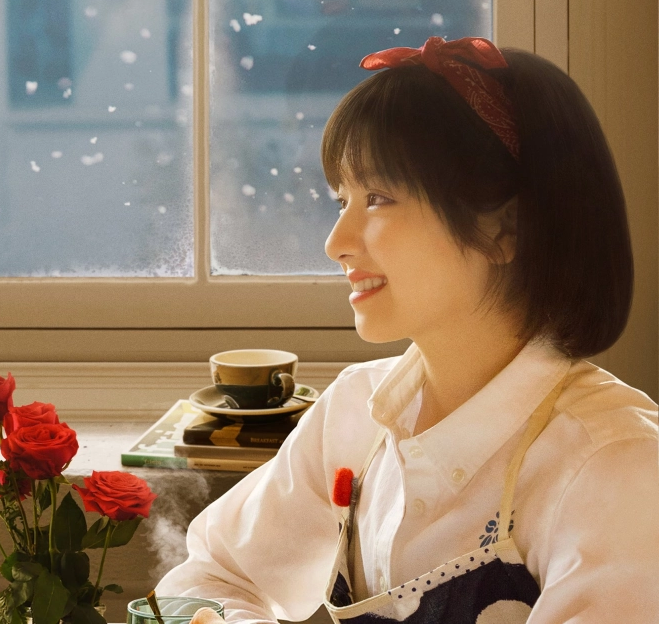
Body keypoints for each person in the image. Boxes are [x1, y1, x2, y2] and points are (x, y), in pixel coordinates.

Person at [159, 37, 658, 623]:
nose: (336, 243)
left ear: (506, 229)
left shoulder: (614, 467)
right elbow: (206, 579)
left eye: (378, 198)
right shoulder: (353, 412)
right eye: (341, 200)